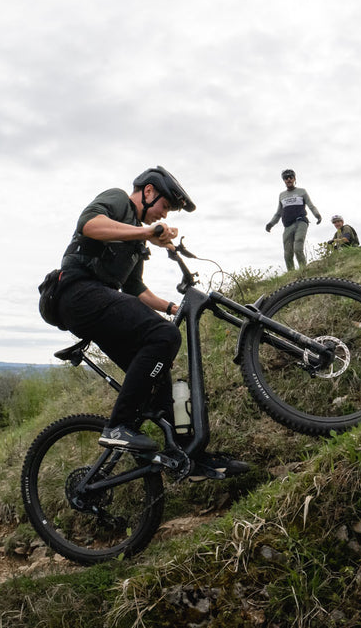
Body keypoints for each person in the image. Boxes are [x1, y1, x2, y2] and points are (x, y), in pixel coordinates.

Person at [55, 167, 248, 479]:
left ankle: (188, 456)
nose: (164, 214)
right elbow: (89, 225)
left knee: (157, 376)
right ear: (148, 191)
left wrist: (172, 306)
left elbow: (135, 290)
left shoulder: (135, 242)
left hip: (97, 303)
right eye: (165, 206)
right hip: (77, 293)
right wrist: (147, 233)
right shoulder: (118, 200)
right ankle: (118, 426)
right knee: (164, 335)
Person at [265, 169, 322, 270]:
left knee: (298, 248)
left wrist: (317, 215)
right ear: (284, 180)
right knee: (287, 253)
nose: (288, 179)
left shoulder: (302, 191)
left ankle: (304, 270)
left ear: (294, 179)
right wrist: (271, 224)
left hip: (301, 222)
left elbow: (311, 206)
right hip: (288, 226)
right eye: (286, 178)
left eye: (291, 177)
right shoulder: (282, 195)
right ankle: (291, 275)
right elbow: (278, 213)